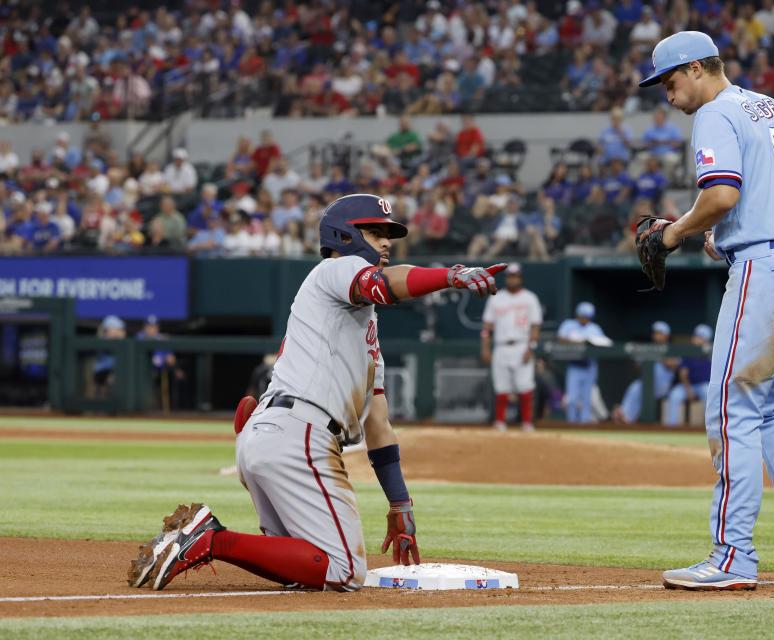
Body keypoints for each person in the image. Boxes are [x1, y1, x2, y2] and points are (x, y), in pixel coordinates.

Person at [129, 193, 507, 592]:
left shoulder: (362, 327)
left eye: (388, 234)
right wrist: (451, 275)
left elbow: (378, 422)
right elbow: (388, 283)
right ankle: (209, 538)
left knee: (304, 566)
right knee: (343, 571)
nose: (386, 242)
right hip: (301, 435)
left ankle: (215, 535)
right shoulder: (335, 270)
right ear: (345, 236)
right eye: (375, 232)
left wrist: (399, 504)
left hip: (271, 435)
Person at [637, 31, 774, 591]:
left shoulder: (716, 112)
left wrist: (676, 232)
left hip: (766, 273)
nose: (667, 94)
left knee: (731, 411)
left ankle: (732, 557)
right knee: (771, 413)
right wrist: (737, 232)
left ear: (698, 69)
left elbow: (722, 195)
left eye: (670, 81)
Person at [481, 263, 543, 432]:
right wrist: (485, 347)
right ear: (506, 278)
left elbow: (535, 327)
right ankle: (500, 422)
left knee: (525, 386)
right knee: (501, 387)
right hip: (501, 346)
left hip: (521, 345)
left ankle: (527, 423)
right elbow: (487, 327)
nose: (512, 279)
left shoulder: (530, 298)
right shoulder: (496, 297)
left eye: (515, 276)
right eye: (510, 276)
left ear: (520, 278)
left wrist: (531, 348)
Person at [613, 320, 678, 423]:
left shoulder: (672, 349)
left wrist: (658, 355)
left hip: (663, 386)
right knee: (635, 387)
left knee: (641, 389)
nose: (656, 335)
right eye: (655, 333)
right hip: (647, 383)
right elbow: (638, 367)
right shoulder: (649, 348)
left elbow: (674, 365)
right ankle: (626, 417)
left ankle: (626, 416)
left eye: (659, 333)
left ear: (666, 335)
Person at [557, 302, 609, 424]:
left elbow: (603, 342)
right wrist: (578, 342)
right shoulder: (569, 324)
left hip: (590, 366)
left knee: (587, 399)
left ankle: (584, 424)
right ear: (578, 315)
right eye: (583, 316)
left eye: (588, 317)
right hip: (575, 366)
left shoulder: (594, 328)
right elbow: (561, 338)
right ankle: (571, 423)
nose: (585, 319)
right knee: (572, 399)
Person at [665, 324, 713, 426]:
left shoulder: (712, 352)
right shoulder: (688, 351)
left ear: (706, 339)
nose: (696, 339)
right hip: (687, 385)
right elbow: (683, 373)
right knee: (674, 395)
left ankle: (710, 427)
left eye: (700, 337)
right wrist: (688, 390)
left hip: (704, 385)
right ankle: (671, 428)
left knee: (709, 394)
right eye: (696, 336)